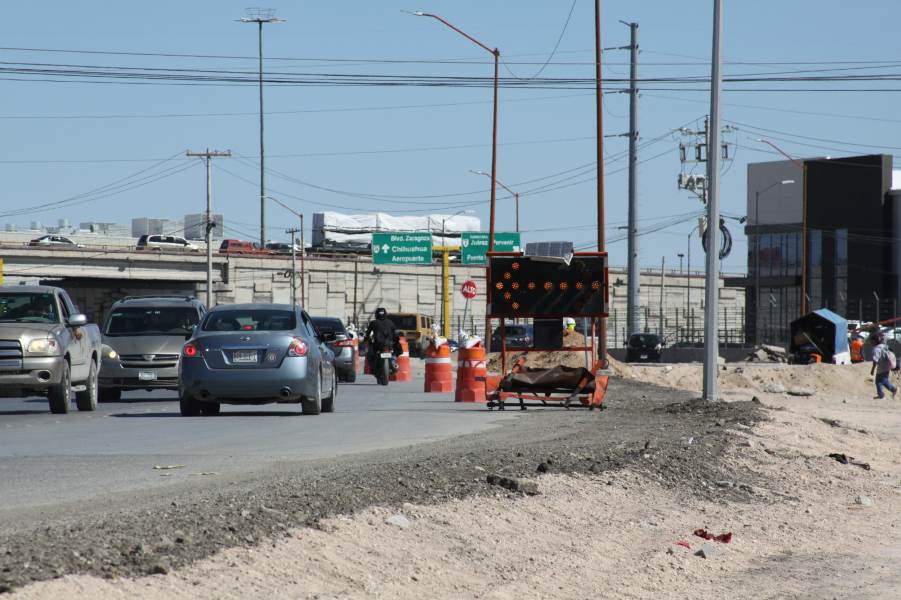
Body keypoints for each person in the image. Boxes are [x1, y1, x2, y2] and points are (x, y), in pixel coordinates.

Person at [364, 308, 398, 380]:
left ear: (376, 315)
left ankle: (373, 368)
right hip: (389, 344)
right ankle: (394, 364)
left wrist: (367, 339)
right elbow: (395, 333)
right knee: (395, 352)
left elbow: (367, 334)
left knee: (370, 355)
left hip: (378, 344)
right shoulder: (390, 322)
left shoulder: (373, 323)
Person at [869, 333, 897, 399]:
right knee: (884, 380)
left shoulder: (876, 349)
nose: (871, 342)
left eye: (871, 341)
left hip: (882, 367)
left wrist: (872, 369)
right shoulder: (884, 346)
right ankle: (893, 390)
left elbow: (875, 360)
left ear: (875, 341)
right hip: (888, 366)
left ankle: (881, 395)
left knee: (878, 381)